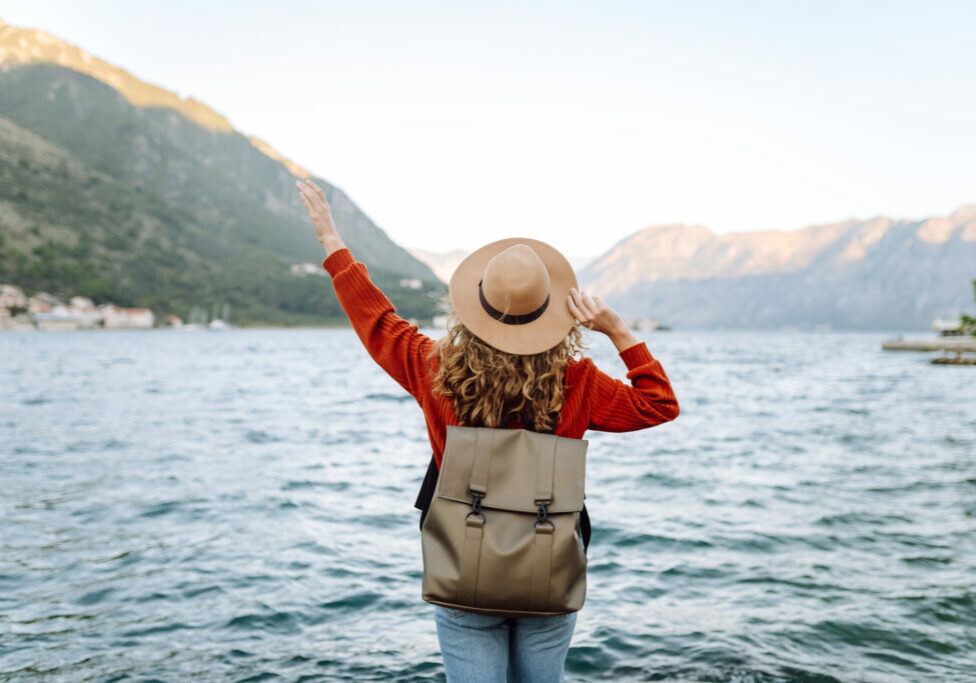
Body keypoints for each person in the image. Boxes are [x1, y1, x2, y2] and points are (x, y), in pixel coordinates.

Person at [296, 179, 679, 682]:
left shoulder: (434, 367)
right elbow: (659, 405)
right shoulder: (580, 383)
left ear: (474, 308)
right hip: (550, 570)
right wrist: (617, 331)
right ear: (554, 312)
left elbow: (374, 318)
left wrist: (331, 239)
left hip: (464, 567)